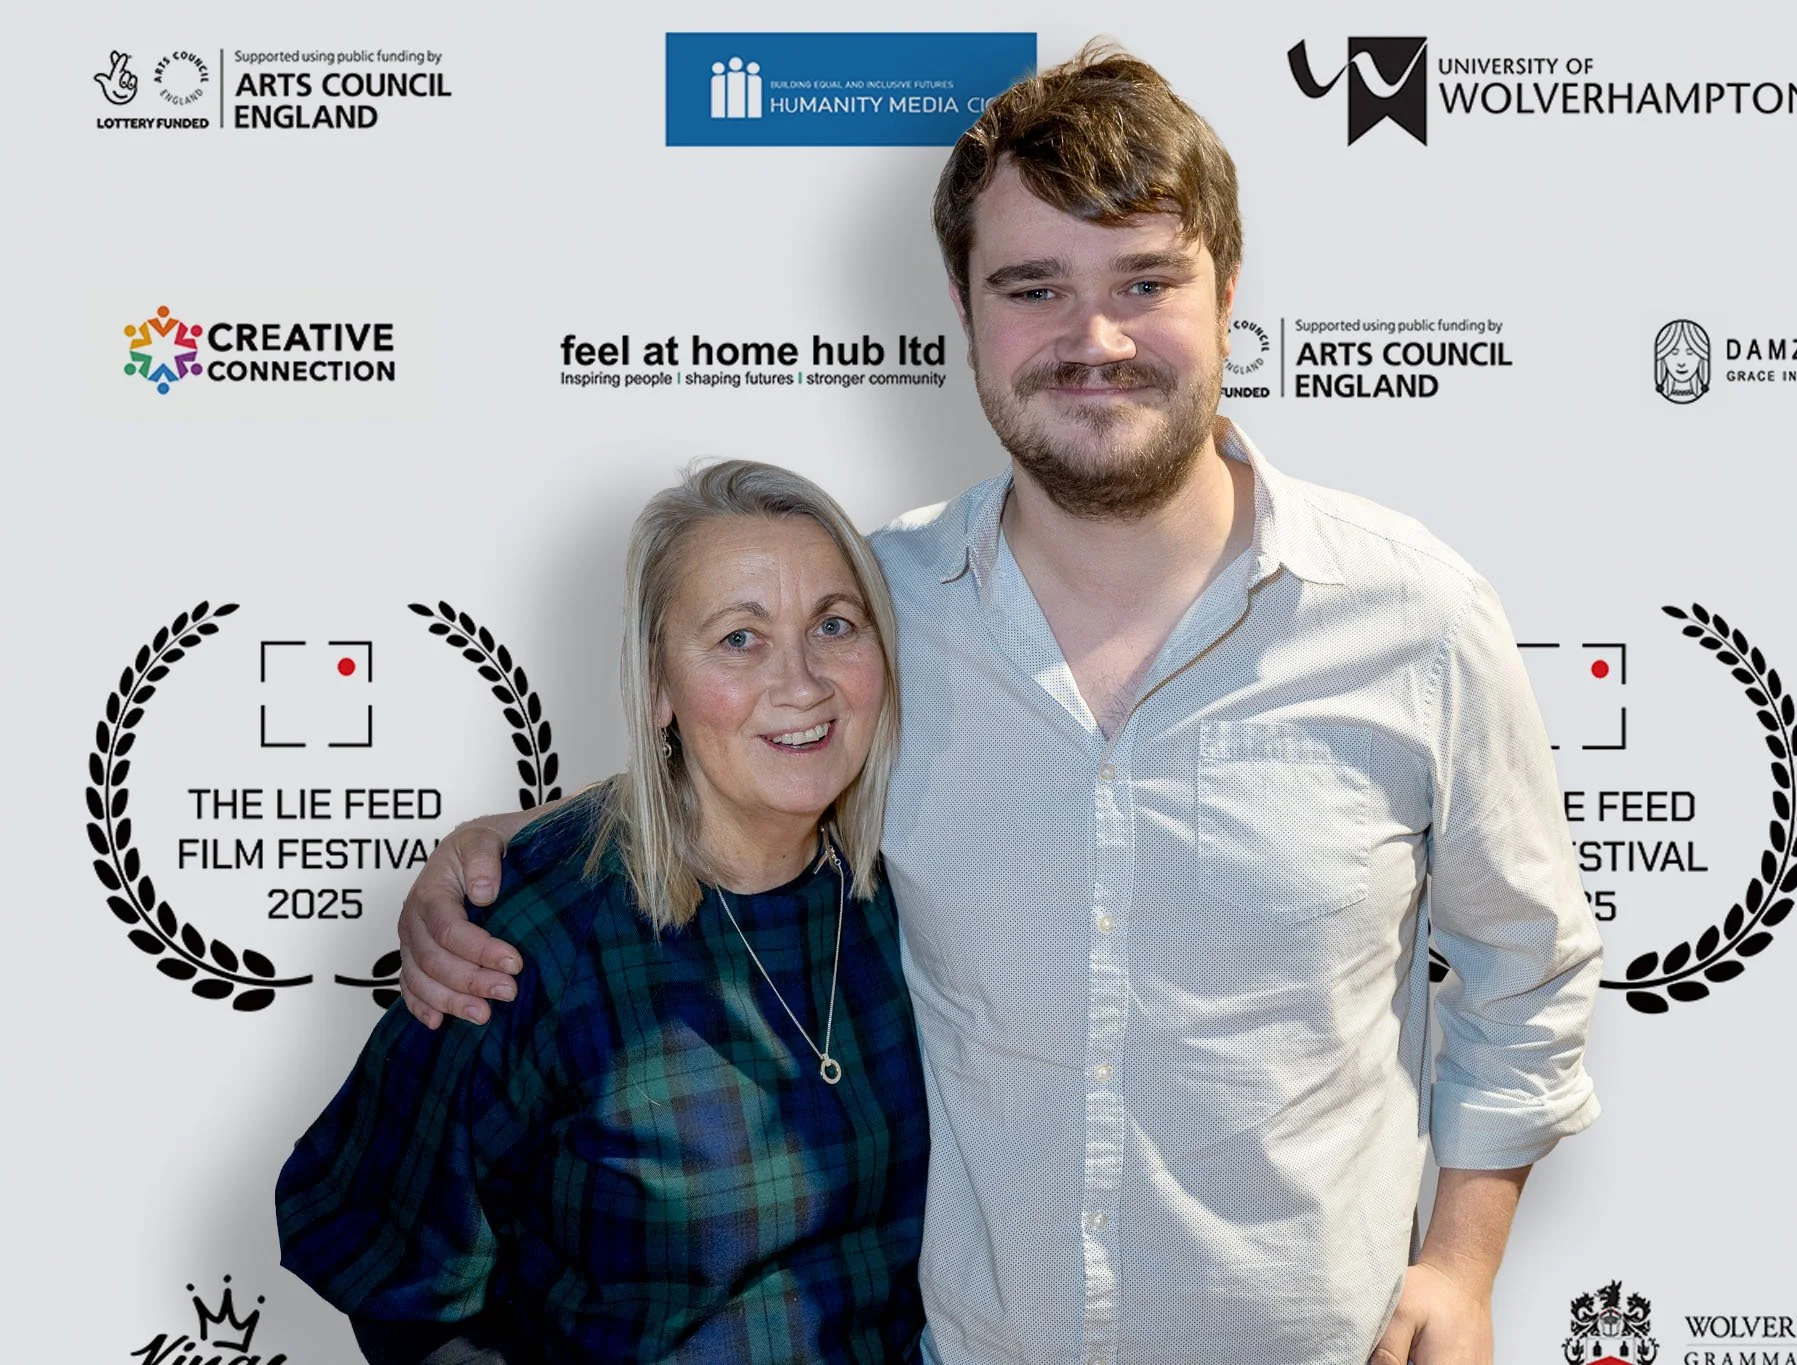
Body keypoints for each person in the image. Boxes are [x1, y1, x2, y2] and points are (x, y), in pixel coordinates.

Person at [397, 46, 1602, 1365]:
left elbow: (1525, 971)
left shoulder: (1418, 618)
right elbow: (732, 770)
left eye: (1146, 282)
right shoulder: (872, 614)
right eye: (1035, 288)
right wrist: (500, 858)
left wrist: (1463, 1263)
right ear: (967, 318)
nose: (1093, 339)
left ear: (1229, 295)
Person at [276, 462, 929, 1364]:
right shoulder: (535, 937)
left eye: (833, 624)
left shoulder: (916, 884)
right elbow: (391, 1272)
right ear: (658, 686)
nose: (804, 681)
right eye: (740, 638)